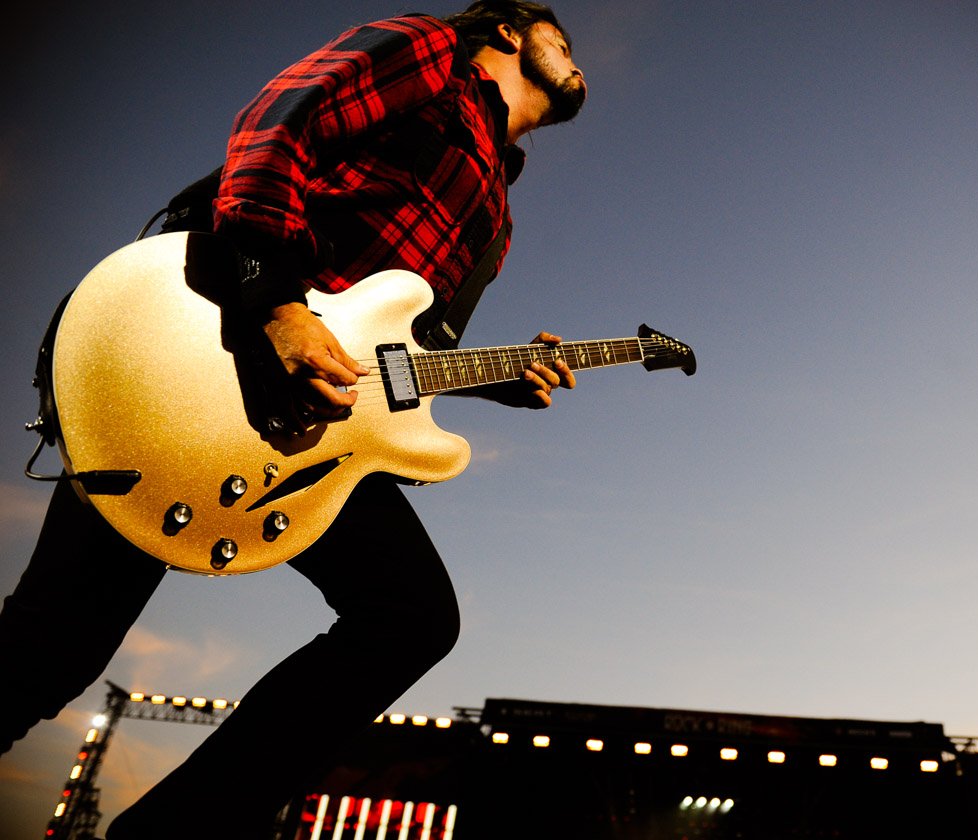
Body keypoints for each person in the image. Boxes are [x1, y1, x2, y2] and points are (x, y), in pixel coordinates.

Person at [0, 3, 586, 838]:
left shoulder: (498, 208)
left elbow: (390, 352)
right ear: (506, 30)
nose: (577, 60)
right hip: (208, 358)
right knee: (52, 650)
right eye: (562, 40)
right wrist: (274, 300)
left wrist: (493, 379)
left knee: (410, 617)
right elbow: (281, 125)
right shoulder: (436, 50)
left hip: (308, 428)